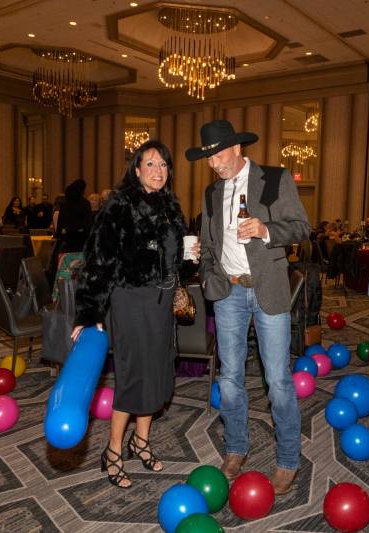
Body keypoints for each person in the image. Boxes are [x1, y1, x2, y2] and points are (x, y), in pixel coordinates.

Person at [188, 119, 310, 494]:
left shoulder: (274, 179)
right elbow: (209, 244)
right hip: (229, 293)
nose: (213, 164)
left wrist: (265, 229)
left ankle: (288, 459)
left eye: (218, 155)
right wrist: (207, 273)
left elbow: (301, 227)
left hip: (268, 289)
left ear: (237, 148)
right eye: (208, 158)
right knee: (230, 380)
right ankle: (235, 448)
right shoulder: (212, 193)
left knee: (278, 380)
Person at [71, 140, 190, 489]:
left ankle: (141, 441)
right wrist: (89, 310)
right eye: (150, 164)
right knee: (133, 375)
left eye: (163, 165)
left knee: (156, 372)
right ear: (136, 170)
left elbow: (172, 262)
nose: (158, 171)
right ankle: (112, 451)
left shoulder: (171, 207)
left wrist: (187, 257)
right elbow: (99, 260)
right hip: (131, 302)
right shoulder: (119, 206)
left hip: (161, 304)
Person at [55, 180, 93, 253]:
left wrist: (58, 234)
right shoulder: (85, 203)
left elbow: (60, 220)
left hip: (67, 237)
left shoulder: (64, 203)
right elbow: (88, 222)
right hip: (80, 238)